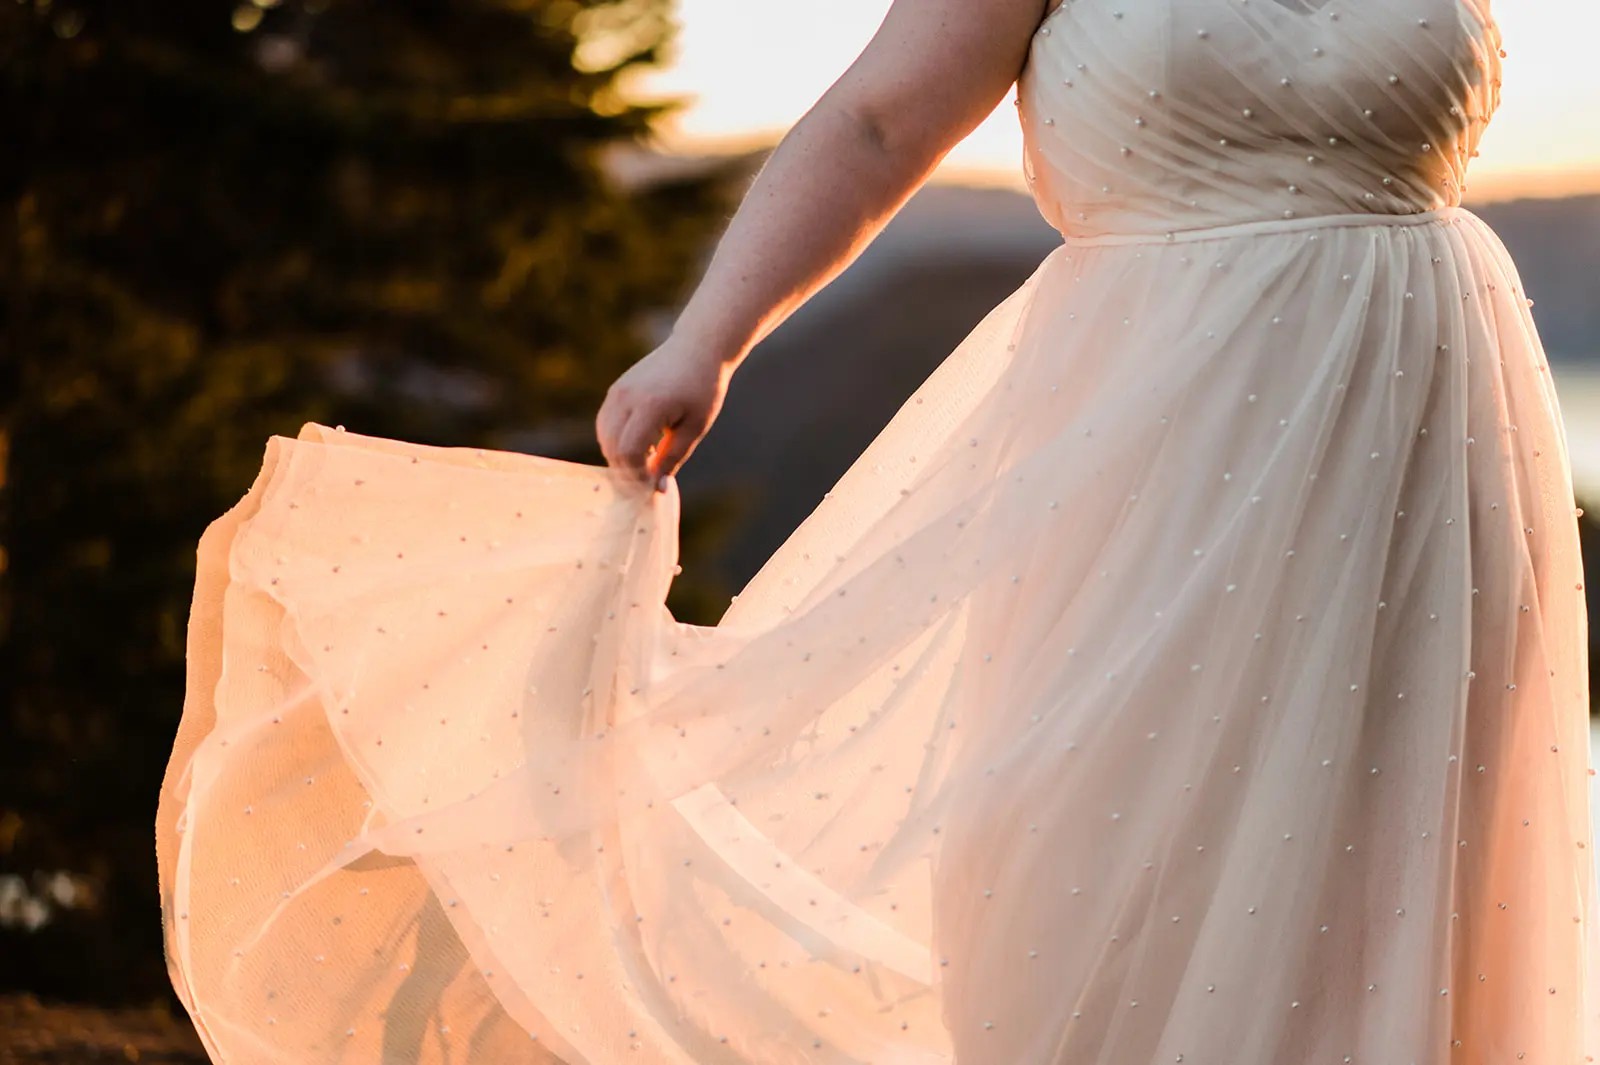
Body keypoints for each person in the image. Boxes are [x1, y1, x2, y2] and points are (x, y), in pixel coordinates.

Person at [157, 0, 1600, 1061]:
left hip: (1424, 432)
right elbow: (875, 119)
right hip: (1157, 436)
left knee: (1393, 838)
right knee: (1116, 836)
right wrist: (706, 343)